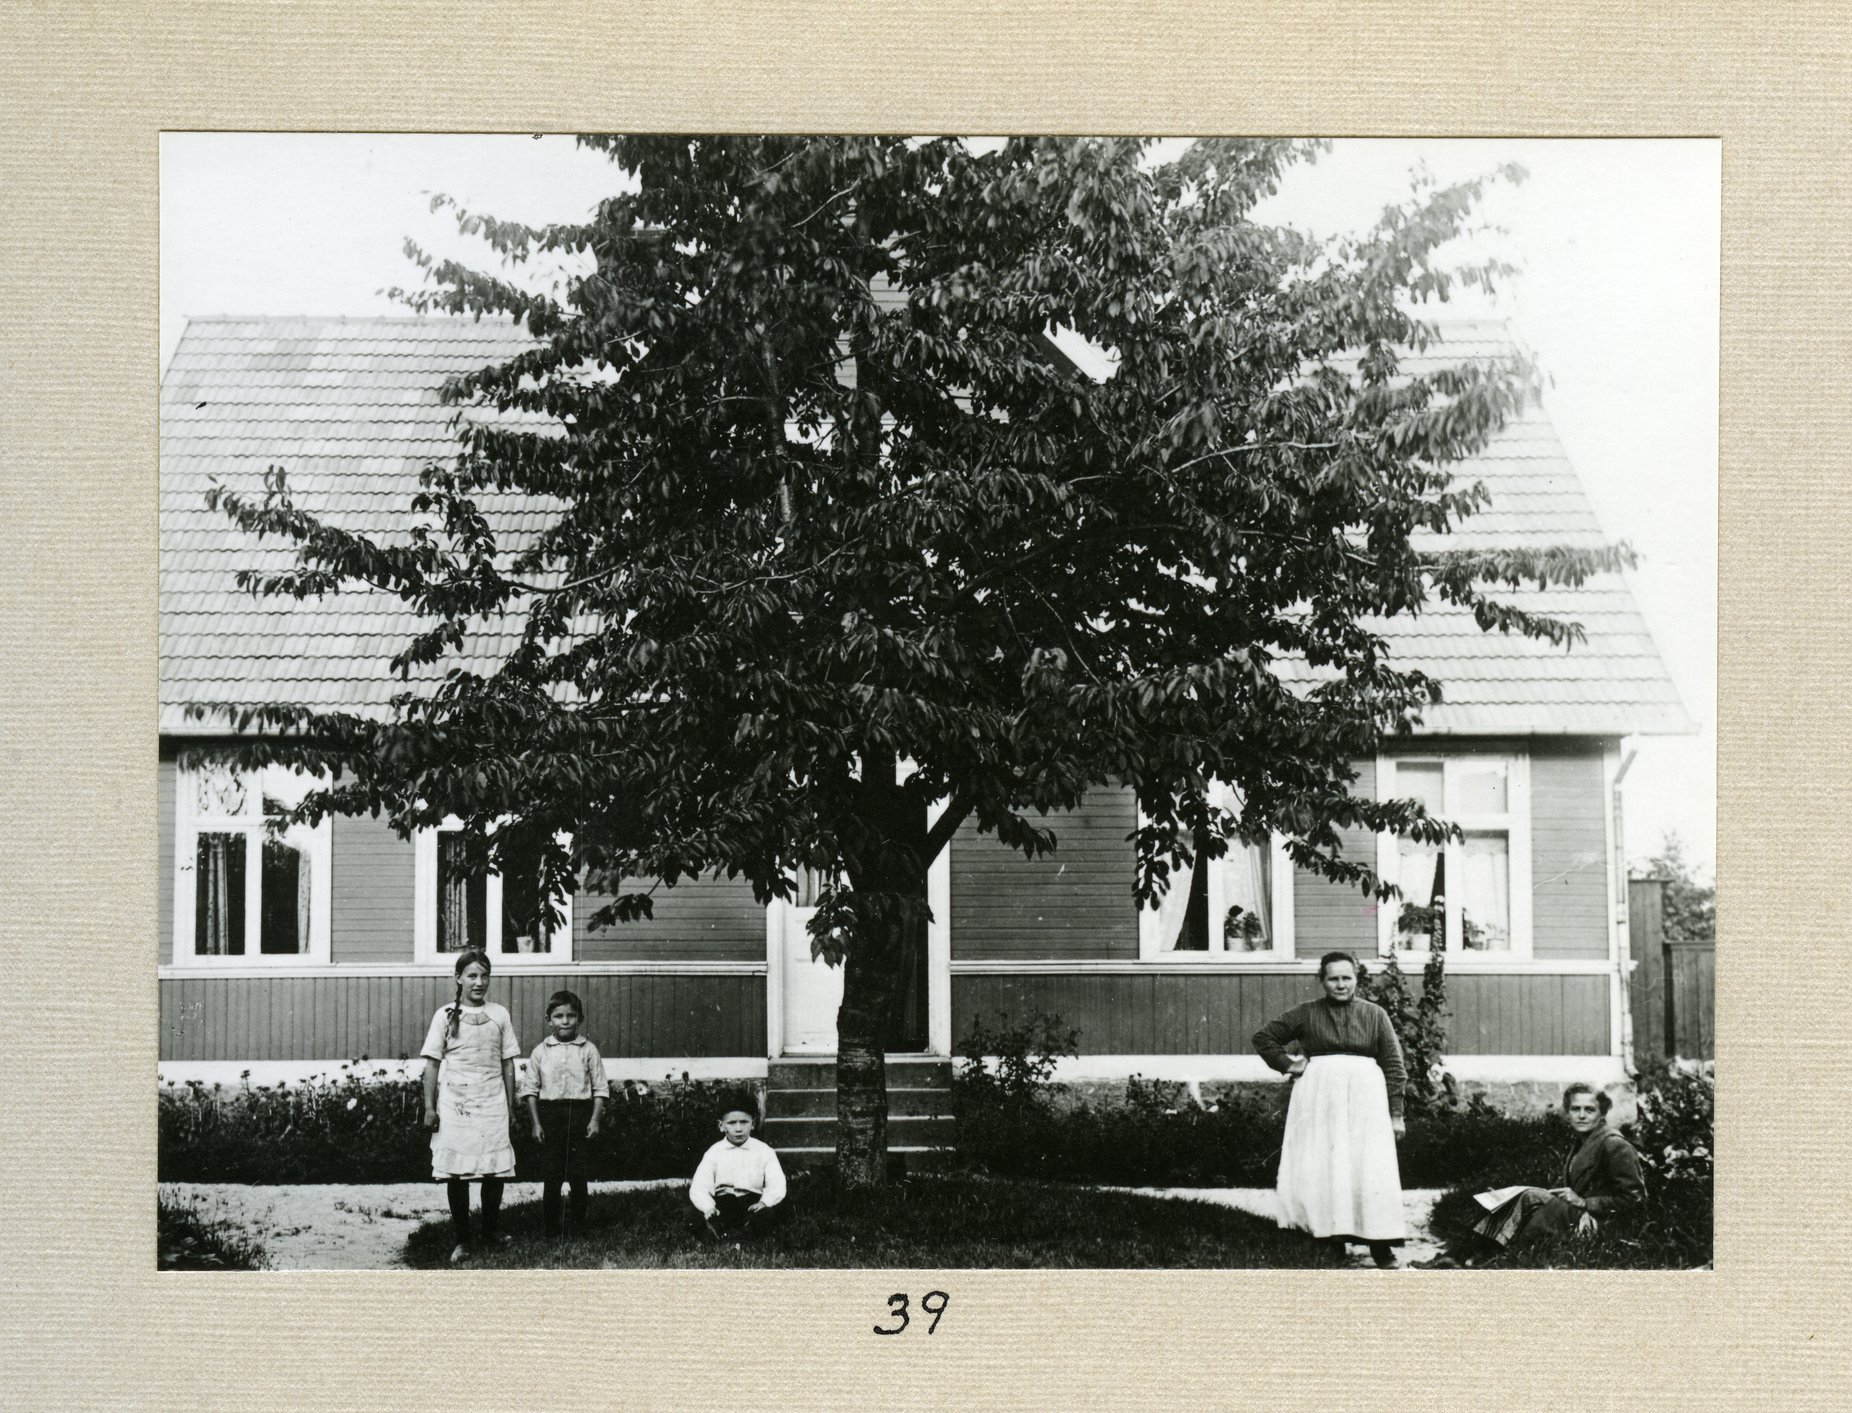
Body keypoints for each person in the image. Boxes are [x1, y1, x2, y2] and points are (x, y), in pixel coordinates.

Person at [1253, 950, 1408, 1267]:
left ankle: (1380, 1245)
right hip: (1319, 1099)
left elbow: (1394, 1065)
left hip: (1366, 1099)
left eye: (1346, 978)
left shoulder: (1375, 1014)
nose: (1340, 985)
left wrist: (1396, 1113)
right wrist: (1288, 1064)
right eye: (1333, 978)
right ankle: (1329, 1241)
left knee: (1369, 1167)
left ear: (1356, 979)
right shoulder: (1307, 1013)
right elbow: (1264, 1037)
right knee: (1325, 1165)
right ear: (1322, 981)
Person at [1419, 1082, 1646, 1267]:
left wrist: (1585, 1202)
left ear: (1602, 1113)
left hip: (1597, 1223)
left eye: (1590, 1110)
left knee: (1545, 1205)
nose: (1582, 1115)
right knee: (1523, 1196)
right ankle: (1456, 1256)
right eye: (1576, 1109)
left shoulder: (1613, 1144)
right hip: (1575, 1214)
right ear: (1567, 1113)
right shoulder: (1583, 1142)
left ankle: (1490, 1259)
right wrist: (1507, 1200)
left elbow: (1635, 1199)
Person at [420, 949, 521, 1262]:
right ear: (459, 978)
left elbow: (507, 1064)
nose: (479, 982)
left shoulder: (499, 1014)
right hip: (455, 1101)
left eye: (484, 975)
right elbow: (432, 1066)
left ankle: (489, 1231)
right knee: (456, 1173)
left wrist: (511, 1105)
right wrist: (429, 1107)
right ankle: (463, 1239)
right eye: (472, 976)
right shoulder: (445, 1015)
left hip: (492, 1099)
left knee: (494, 1170)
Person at [519, 989, 608, 1238]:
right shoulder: (541, 1051)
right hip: (550, 1116)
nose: (565, 1021)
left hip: (580, 1114)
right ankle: (551, 1228)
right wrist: (536, 1124)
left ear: (580, 1019)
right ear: (550, 1020)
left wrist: (594, 1119)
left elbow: (601, 1088)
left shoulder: (588, 1050)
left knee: (579, 1176)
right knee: (552, 1176)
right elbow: (530, 1090)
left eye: (571, 1015)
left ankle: (579, 1227)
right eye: (559, 1016)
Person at [689, 1099, 788, 1240]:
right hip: (723, 1204)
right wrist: (708, 1207)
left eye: (744, 1122)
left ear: (753, 1124)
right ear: (721, 1126)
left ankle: (749, 1229)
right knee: (691, 1213)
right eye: (731, 1123)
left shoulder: (764, 1151)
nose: (738, 1129)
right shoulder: (714, 1152)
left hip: (752, 1203)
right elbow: (699, 1186)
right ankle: (713, 1229)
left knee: (770, 1213)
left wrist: (764, 1202)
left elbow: (776, 1183)